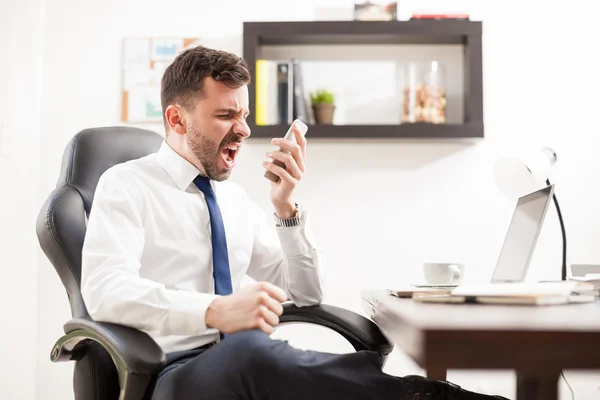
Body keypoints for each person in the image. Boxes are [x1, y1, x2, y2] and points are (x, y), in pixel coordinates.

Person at [80, 45, 508, 400]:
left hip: (243, 366)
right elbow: (106, 292)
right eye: (226, 115)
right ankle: (425, 395)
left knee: (258, 352)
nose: (243, 130)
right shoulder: (126, 185)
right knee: (251, 351)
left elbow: (305, 292)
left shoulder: (233, 199)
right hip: (168, 374)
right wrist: (215, 310)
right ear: (177, 119)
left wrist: (286, 207)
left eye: (244, 115)